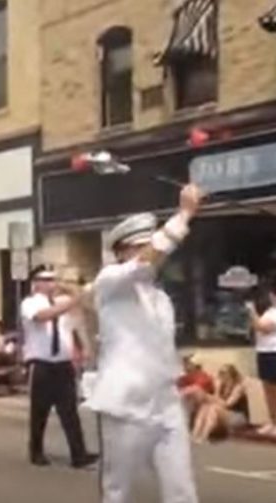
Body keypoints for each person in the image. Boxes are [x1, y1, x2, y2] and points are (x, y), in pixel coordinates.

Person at [85, 183, 203, 503]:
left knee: (181, 488)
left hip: (164, 401)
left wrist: (188, 385)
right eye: (138, 247)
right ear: (121, 251)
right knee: (118, 489)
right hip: (125, 402)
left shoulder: (162, 299)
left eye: (146, 246)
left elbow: (162, 351)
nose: (149, 255)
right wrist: (184, 216)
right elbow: (144, 264)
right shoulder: (110, 282)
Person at [21, 265, 97, 469]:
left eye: (53, 279)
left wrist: (70, 286)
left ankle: (78, 455)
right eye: (45, 279)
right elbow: (42, 316)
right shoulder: (30, 303)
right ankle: (36, 451)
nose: (50, 283)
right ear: (36, 283)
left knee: (69, 411)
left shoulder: (62, 302)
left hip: (62, 363)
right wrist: (72, 301)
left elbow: (82, 309)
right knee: (40, 411)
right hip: (41, 363)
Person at [247, 286, 276, 437]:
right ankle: (273, 421)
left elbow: (264, 328)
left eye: (273, 294)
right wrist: (253, 317)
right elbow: (255, 326)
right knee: (267, 387)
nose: (270, 297)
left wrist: (252, 311)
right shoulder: (270, 311)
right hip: (263, 350)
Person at [190, 364, 249, 443]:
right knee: (205, 407)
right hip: (222, 412)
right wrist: (216, 389)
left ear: (231, 374)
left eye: (224, 373)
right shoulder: (221, 385)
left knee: (213, 408)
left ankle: (204, 435)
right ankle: (194, 434)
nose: (221, 375)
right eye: (221, 373)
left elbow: (227, 404)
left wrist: (208, 397)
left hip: (237, 416)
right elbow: (216, 399)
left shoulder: (238, 387)